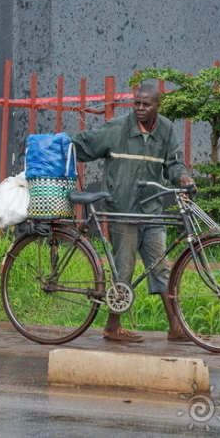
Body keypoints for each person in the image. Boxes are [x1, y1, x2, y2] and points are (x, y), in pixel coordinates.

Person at [71, 83, 195, 343]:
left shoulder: (166, 129)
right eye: (136, 103)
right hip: (122, 210)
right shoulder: (117, 128)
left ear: (157, 106)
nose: (140, 108)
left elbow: (174, 164)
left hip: (152, 210)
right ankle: (112, 326)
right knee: (123, 268)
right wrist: (57, 146)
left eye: (146, 104)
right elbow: (82, 145)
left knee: (161, 267)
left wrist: (182, 176)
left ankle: (176, 327)